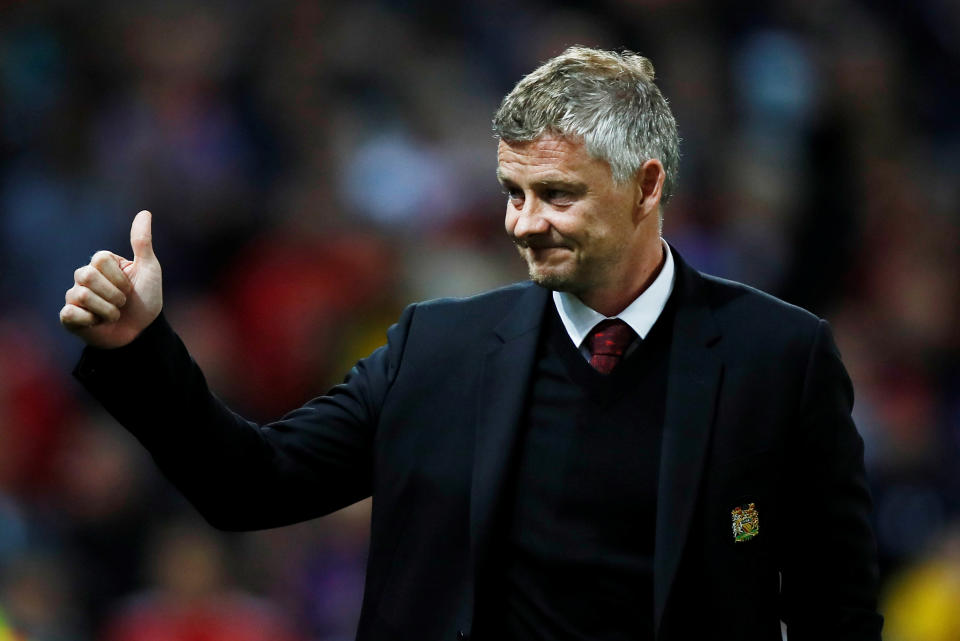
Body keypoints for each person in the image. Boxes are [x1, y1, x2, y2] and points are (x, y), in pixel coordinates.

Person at [60, 47, 883, 640]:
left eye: (556, 194)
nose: (524, 223)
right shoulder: (437, 349)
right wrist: (139, 346)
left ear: (648, 185)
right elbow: (248, 485)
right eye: (512, 192)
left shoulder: (781, 356)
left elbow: (836, 611)